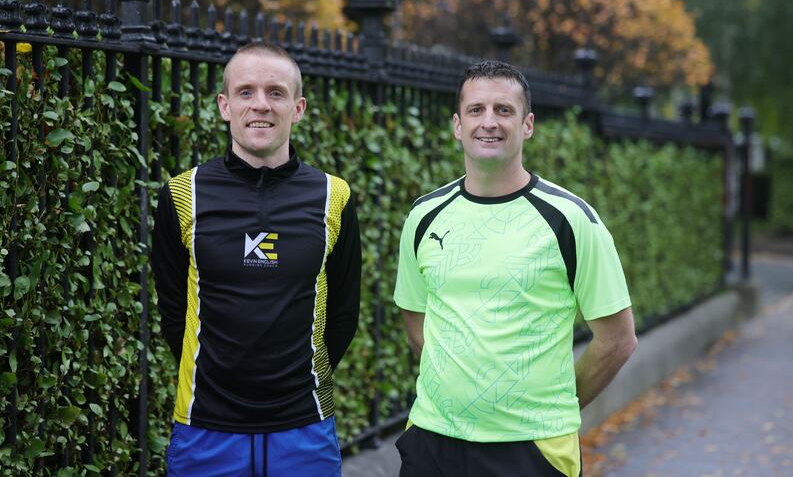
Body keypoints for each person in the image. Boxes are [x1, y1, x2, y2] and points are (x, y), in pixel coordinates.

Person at [393, 60, 637, 477]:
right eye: (476, 110)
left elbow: (617, 340)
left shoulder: (570, 220)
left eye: (503, 110)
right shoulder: (424, 216)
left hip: (531, 450)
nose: (489, 122)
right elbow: (419, 326)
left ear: (527, 125)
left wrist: (554, 405)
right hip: (432, 442)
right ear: (457, 125)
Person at [151, 42, 361, 476]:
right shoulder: (182, 194)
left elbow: (344, 314)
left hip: (304, 426)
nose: (260, 105)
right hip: (204, 426)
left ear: (298, 108)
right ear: (224, 106)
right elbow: (173, 314)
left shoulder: (332, 196)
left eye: (276, 93)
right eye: (246, 92)